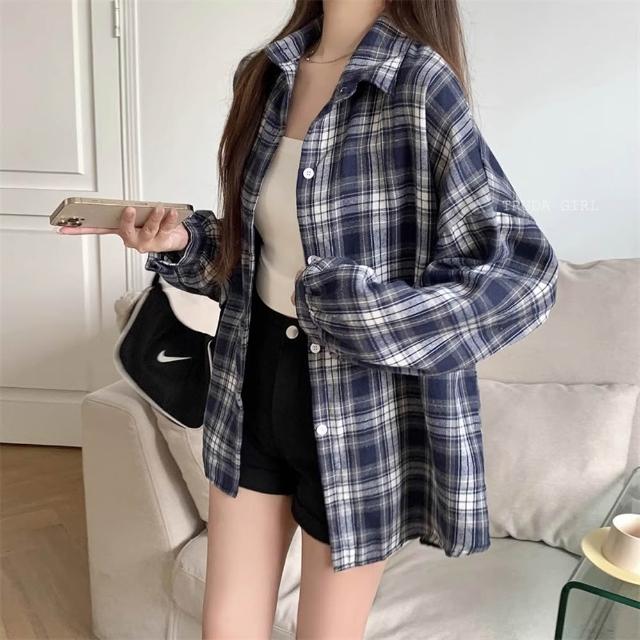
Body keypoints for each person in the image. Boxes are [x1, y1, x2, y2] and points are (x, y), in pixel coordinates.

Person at [61, 0, 560, 637]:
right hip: (249, 382)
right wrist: (182, 242)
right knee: (226, 629)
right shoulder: (267, 75)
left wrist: (365, 313)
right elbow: (251, 257)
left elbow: (524, 276)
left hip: (357, 409)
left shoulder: (416, 83)